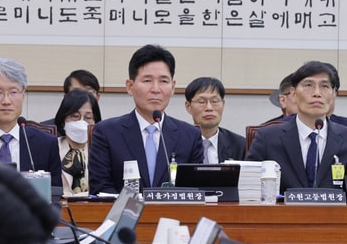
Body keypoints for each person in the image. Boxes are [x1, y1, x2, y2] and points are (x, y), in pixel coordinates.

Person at [87, 44, 205, 192]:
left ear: (173, 87)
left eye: (163, 81)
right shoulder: (107, 133)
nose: (155, 89)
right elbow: (100, 188)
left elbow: (195, 191)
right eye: (147, 81)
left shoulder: (189, 136)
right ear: (130, 86)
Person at [246, 60, 347, 190]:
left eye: (324, 86)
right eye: (309, 85)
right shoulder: (267, 138)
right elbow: (249, 188)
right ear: (293, 93)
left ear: (334, 94)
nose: (317, 93)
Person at [0, 58, 63, 188]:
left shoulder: (46, 144)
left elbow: (55, 195)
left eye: (13, 92)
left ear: (23, 95)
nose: (6, 101)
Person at [184, 76, 245, 163]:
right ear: (188, 106)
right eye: (202, 102)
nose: (209, 108)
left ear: (223, 104)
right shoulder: (179, 142)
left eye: (215, 101)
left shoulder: (239, 144)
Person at [55, 88, 101, 197]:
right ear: (63, 119)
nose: (81, 122)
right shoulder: (51, 148)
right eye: (75, 116)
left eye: (88, 117)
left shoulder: (101, 151)